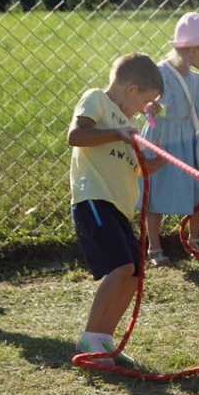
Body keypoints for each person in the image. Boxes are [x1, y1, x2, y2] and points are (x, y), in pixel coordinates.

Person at [68, 52, 165, 366]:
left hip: (120, 208)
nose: (144, 108)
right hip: (94, 199)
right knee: (121, 268)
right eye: (144, 101)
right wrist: (118, 133)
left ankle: (104, 340)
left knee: (135, 273)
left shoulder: (129, 124)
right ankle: (89, 337)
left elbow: (133, 167)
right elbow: (76, 136)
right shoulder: (96, 99)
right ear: (130, 90)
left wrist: (150, 164)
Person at [140, 12, 199, 266]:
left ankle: (194, 240)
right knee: (156, 191)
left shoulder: (194, 80)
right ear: (191, 50)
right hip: (162, 140)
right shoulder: (160, 73)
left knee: (195, 189)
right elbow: (144, 102)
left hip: (186, 140)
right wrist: (149, 107)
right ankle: (154, 247)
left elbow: (197, 114)